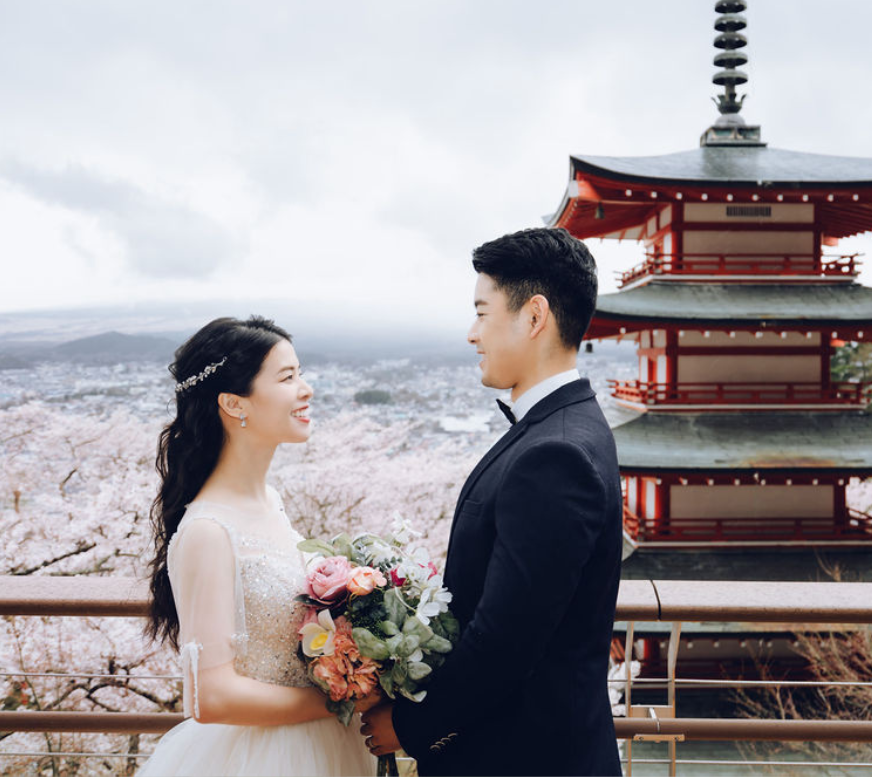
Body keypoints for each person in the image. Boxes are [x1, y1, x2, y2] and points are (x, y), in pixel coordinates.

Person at [360, 228, 624, 775]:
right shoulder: (569, 428)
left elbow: (508, 640)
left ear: (533, 317)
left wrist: (413, 726)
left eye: (482, 313)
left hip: (523, 757)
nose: (471, 334)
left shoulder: (554, 454)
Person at [140, 316, 376, 776]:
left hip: (323, 746)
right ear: (233, 403)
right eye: (287, 378)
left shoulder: (270, 501)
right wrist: (343, 698)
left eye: (300, 373)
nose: (306, 389)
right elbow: (210, 697)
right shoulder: (209, 530)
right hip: (261, 758)